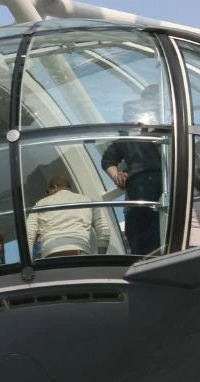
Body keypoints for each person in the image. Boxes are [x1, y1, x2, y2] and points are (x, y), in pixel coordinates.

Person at [101, 84, 164, 256]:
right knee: (159, 228)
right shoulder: (161, 123)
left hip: (136, 185)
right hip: (161, 181)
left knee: (139, 229)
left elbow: (107, 159)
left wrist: (116, 176)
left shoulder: (127, 134)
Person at [25, 175, 110, 259]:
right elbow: (104, 230)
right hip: (79, 252)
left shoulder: (40, 204)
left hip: (50, 253)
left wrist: (29, 261)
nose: (47, 195)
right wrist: (101, 257)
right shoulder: (88, 200)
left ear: (54, 187)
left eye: (47, 192)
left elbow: (29, 233)